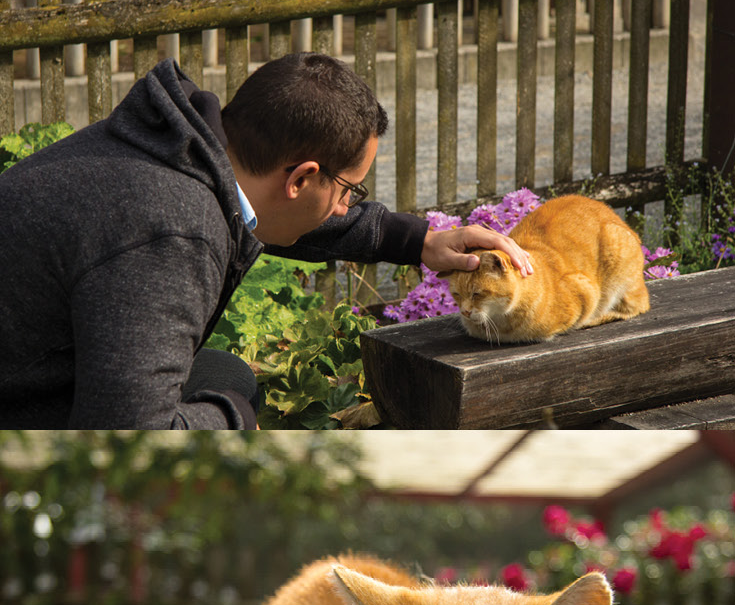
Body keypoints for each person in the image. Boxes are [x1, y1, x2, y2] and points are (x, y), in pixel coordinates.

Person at [0, 54, 532, 430]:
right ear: (300, 178)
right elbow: (125, 437)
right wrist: (234, 421)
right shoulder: (171, 233)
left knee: (223, 374)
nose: (347, 204)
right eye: (349, 189)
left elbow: (265, 216)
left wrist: (418, 242)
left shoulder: (177, 146)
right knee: (231, 389)